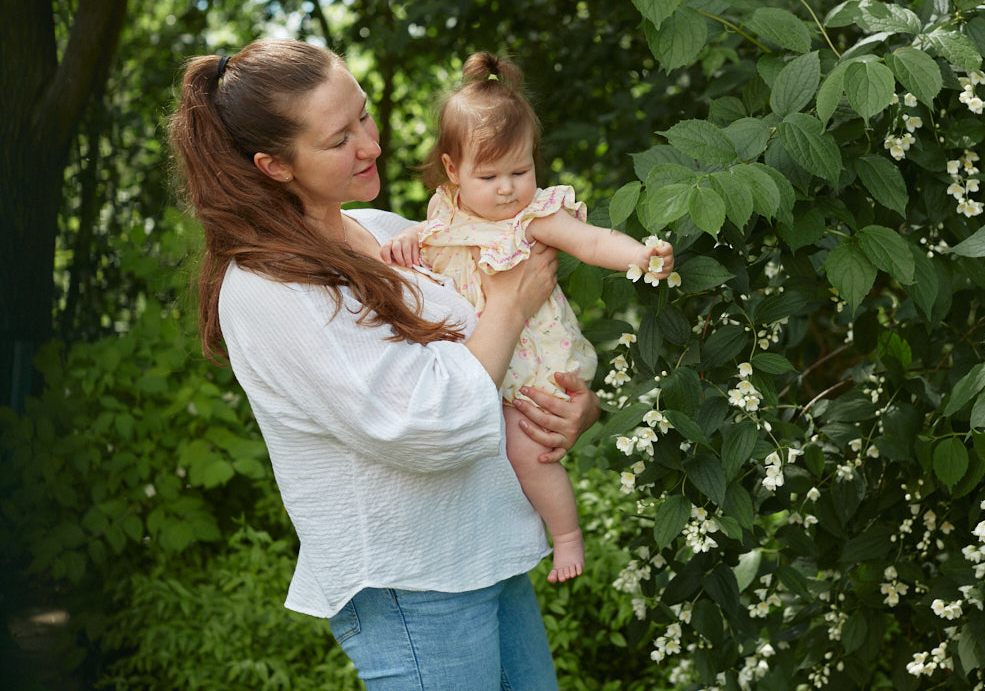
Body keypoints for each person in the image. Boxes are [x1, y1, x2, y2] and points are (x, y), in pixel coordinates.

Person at [169, 38, 600, 690]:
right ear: (275, 164)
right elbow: (430, 423)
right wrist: (512, 304)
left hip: (484, 556)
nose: (371, 144)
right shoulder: (267, 289)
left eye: (364, 116)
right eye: (340, 138)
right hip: (412, 585)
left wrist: (572, 405)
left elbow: (505, 359)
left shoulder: (381, 229)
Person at [378, 52, 673, 584]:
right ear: (452, 170)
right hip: (479, 362)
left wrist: (641, 257)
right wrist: (404, 239)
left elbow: (592, 240)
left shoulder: (533, 217)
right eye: (488, 175)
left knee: (526, 450)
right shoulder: (443, 211)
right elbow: (422, 240)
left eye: (521, 170)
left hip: (533, 364)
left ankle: (565, 535)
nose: (508, 188)